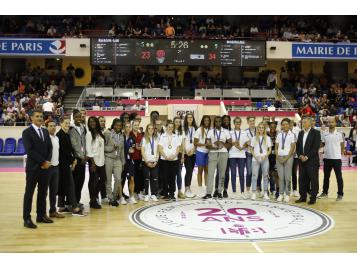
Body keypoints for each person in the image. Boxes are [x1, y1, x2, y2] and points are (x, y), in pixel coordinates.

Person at [22, 109, 53, 228]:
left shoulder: (45, 132)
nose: (40, 118)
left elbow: (50, 148)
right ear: (31, 118)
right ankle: (27, 219)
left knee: (43, 193)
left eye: (41, 116)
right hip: (33, 168)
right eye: (37, 116)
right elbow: (30, 151)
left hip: (45, 168)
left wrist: (47, 162)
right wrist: (43, 161)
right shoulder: (27, 132)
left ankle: (41, 216)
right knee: (29, 194)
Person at [57, 116, 85, 216]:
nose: (68, 125)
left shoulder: (66, 134)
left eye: (69, 123)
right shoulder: (60, 135)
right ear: (60, 123)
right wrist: (73, 161)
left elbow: (70, 150)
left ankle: (61, 206)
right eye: (65, 123)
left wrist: (74, 159)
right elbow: (64, 153)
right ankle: (74, 207)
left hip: (65, 163)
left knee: (63, 185)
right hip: (63, 164)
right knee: (70, 185)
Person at [203, 116, 232, 199]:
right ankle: (208, 193)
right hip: (212, 153)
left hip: (223, 154)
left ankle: (219, 192)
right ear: (214, 122)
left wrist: (222, 143)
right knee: (210, 174)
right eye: (216, 121)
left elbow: (230, 144)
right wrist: (214, 147)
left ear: (221, 122)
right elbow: (207, 145)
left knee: (222, 174)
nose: (218, 123)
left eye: (219, 121)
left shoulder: (226, 131)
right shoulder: (210, 132)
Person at [296, 116, 321, 205]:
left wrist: (307, 156)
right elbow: (298, 146)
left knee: (313, 179)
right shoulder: (300, 133)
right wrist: (300, 155)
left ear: (310, 123)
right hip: (301, 160)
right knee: (302, 179)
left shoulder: (316, 133)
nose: (303, 123)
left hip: (312, 161)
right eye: (303, 122)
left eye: (305, 122)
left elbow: (316, 147)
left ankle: (313, 197)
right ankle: (303, 197)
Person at [318, 117, 345, 201]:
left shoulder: (340, 134)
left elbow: (342, 145)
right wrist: (321, 133)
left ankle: (340, 194)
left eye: (332, 122)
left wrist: (339, 153)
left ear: (335, 123)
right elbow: (321, 145)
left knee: (339, 177)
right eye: (329, 122)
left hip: (336, 159)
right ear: (327, 124)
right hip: (327, 158)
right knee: (326, 177)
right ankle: (325, 193)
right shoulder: (325, 134)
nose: (331, 124)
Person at [86, 116, 107, 209]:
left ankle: (94, 197)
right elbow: (88, 149)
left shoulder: (100, 133)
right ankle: (93, 200)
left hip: (102, 160)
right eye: (90, 122)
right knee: (93, 181)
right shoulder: (89, 134)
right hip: (93, 161)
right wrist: (93, 163)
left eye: (94, 121)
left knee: (103, 179)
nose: (92, 123)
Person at [45, 120, 64, 218]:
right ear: (46, 127)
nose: (53, 127)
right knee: (44, 192)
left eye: (54, 126)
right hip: (47, 168)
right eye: (50, 126)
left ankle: (53, 211)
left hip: (56, 168)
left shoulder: (56, 138)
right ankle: (42, 213)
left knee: (54, 191)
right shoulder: (45, 138)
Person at [104, 118, 125, 207]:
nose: (118, 127)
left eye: (120, 125)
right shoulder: (107, 134)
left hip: (118, 160)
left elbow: (122, 150)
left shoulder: (121, 136)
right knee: (108, 180)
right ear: (113, 125)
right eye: (117, 125)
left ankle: (114, 195)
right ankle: (111, 198)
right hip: (108, 158)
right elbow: (103, 148)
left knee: (118, 179)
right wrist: (112, 148)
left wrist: (123, 162)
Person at [158, 121, 181, 200]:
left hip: (174, 160)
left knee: (172, 177)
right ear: (166, 127)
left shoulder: (176, 136)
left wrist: (174, 155)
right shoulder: (162, 136)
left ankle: (172, 193)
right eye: (169, 126)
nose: (170, 128)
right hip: (164, 160)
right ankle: (165, 193)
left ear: (173, 128)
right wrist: (165, 156)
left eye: (172, 127)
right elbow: (160, 148)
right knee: (165, 177)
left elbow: (178, 147)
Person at [229, 117, 250, 199]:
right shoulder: (230, 132)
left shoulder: (244, 132)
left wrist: (243, 147)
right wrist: (234, 143)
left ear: (241, 123)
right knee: (233, 173)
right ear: (234, 123)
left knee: (241, 174)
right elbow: (228, 143)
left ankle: (242, 192)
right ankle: (234, 192)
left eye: (239, 122)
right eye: (236, 122)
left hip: (241, 155)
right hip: (232, 154)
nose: (238, 123)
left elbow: (248, 142)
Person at [275, 118, 296, 203]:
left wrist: (287, 157)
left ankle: (287, 194)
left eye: (286, 124)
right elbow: (276, 147)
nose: (285, 126)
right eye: (283, 124)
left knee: (287, 177)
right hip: (279, 157)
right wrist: (277, 156)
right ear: (281, 126)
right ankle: (281, 194)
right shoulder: (279, 134)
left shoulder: (292, 135)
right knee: (281, 177)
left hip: (288, 157)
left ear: (289, 125)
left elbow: (292, 147)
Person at [250, 122, 272, 200]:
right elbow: (251, 149)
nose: (261, 129)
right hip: (255, 159)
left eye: (263, 127)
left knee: (265, 176)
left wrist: (266, 156)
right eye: (260, 127)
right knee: (254, 176)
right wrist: (255, 156)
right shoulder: (254, 138)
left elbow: (270, 149)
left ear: (264, 129)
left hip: (264, 159)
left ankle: (265, 192)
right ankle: (253, 193)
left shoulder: (268, 138)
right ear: (258, 129)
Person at [69, 109, 87, 204]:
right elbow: (74, 145)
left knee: (81, 180)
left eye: (80, 116)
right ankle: (73, 201)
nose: (79, 118)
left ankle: (78, 200)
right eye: (76, 117)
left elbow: (84, 143)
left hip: (83, 158)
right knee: (75, 181)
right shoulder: (71, 129)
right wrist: (81, 156)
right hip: (76, 159)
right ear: (73, 117)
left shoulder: (83, 127)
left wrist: (85, 156)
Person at [141, 123, 160, 202]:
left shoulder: (156, 138)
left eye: (152, 128)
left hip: (154, 162)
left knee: (154, 178)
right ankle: (146, 194)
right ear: (147, 129)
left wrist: (156, 161)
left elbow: (158, 151)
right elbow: (142, 151)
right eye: (149, 128)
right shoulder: (144, 139)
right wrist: (146, 161)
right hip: (146, 162)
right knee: (146, 179)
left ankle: (153, 194)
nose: (151, 130)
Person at [194, 115, 211, 197]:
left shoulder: (211, 130)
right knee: (200, 170)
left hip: (208, 152)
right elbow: (195, 143)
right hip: (200, 151)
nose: (206, 122)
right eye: (205, 120)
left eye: (208, 120)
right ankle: (200, 189)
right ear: (203, 121)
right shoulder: (199, 130)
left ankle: (207, 189)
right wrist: (204, 144)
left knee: (207, 171)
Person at [183, 113, 198, 198]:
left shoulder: (196, 128)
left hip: (193, 152)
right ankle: (186, 189)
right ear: (186, 119)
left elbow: (196, 140)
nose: (190, 118)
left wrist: (193, 150)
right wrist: (186, 150)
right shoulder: (183, 129)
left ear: (193, 119)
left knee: (191, 171)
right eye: (188, 117)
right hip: (186, 153)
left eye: (191, 117)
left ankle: (189, 188)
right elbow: (183, 141)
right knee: (188, 170)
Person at [123, 122, 137, 204]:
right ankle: (120, 196)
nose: (128, 128)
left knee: (131, 178)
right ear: (124, 128)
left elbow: (133, 148)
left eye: (129, 127)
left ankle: (131, 196)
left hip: (130, 161)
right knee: (121, 179)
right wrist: (126, 151)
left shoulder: (132, 138)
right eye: (126, 127)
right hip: (122, 160)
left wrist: (132, 150)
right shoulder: (121, 137)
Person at [130, 119, 144, 200]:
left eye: (137, 125)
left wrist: (139, 147)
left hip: (139, 158)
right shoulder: (130, 134)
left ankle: (138, 192)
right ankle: (133, 192)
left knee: (139, 176)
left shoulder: (140, 135)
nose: (136, 126)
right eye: (135, 125)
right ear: (132, 126)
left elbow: (141, 146)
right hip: (132, 158)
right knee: (133, 176)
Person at [173, 117, 185, 199]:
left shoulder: (182, 132)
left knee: (178, 174)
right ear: (173, 122)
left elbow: (183, 145)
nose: (177, 123)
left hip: (179, 155)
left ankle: (180, 191)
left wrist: (183, 157)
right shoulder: (170, 131)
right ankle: (172, 191)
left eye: (179, 122)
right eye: (176, 122)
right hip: (171, 154)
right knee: (172, 174)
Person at [97, 116, 107, 202]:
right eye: (101, 121)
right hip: (96, 159)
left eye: (104, 121)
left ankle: (104, 196)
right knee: (96, 179)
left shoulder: (107, 132)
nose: (103, 122)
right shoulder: (95, 132)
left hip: (105, 159)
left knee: (104, 178)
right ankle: (95, 197)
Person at [290, 120, 301, 197]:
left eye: (290, 124)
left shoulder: (297, 131)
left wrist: (295, 151)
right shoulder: (283, 132)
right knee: (286, 174)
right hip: (286, 156)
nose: (289, 125)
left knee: (294, 173)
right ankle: (287, 189)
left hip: (295, 156)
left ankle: (294, 189)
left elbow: (298, 143)